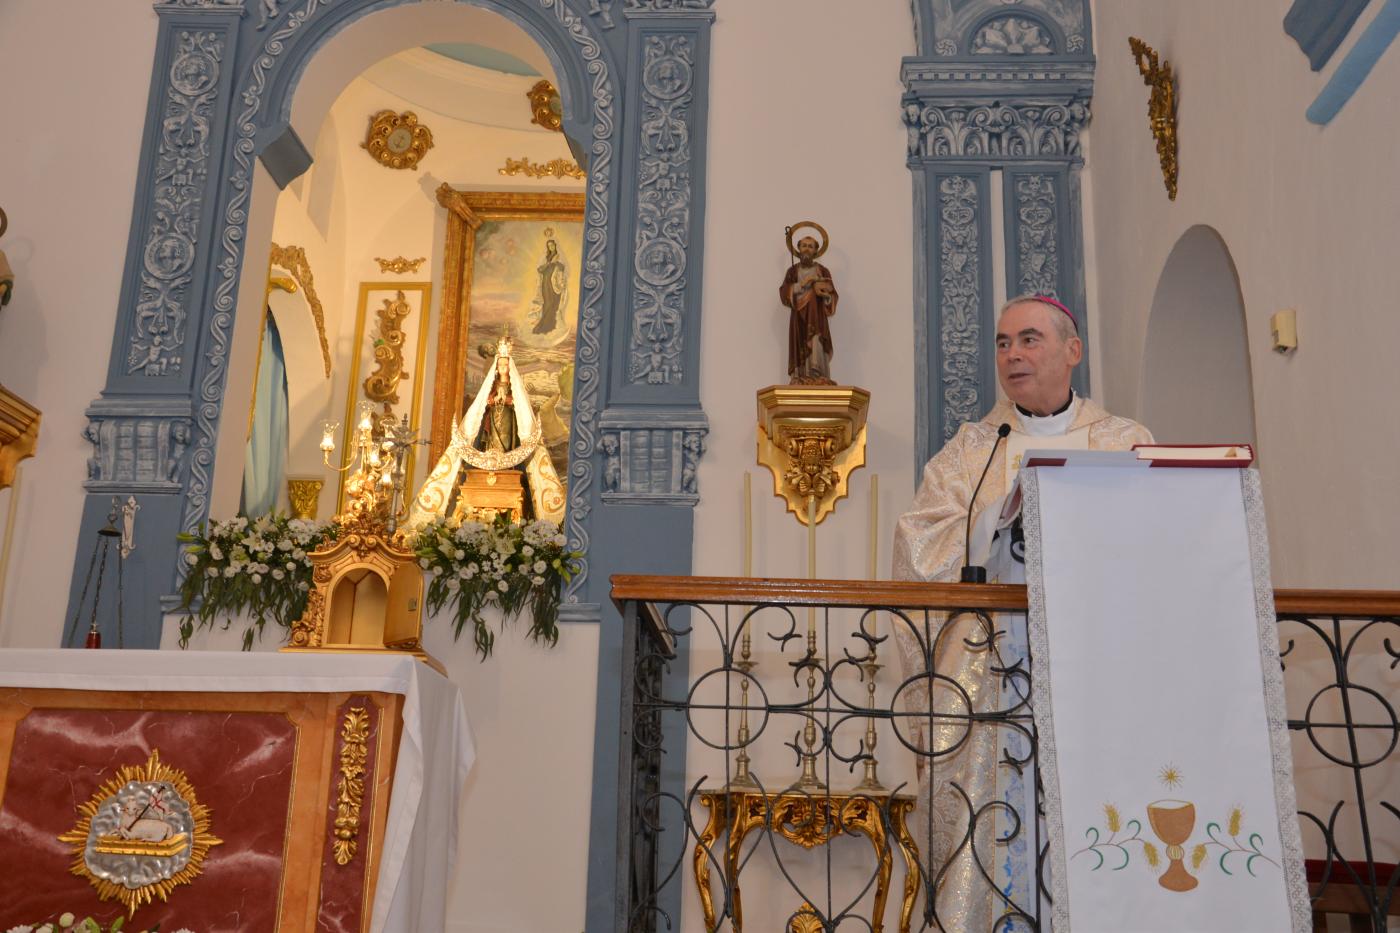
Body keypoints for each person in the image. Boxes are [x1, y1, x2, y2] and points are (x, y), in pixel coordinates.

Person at [890, 295, 1152, 928]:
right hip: (991, 674)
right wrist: (990, 520)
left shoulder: (1125, 441)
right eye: (1003, 343)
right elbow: (919, 544)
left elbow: (1153, 541)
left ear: (1073, 351)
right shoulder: (971, 450)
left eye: (1029, 340)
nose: (1012, 355)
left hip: (1095, 669)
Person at [779, 235, 838, 384]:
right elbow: (784, 293)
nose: (806, 248)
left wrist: (825, 295)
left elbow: (831, 295)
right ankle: (800, 376)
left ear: (816, 251)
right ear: (798, 249)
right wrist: (802, 284)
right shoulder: (792, 271)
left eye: (810, 246)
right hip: (798, 316)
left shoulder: (822, 271)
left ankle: (818, 375)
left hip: (816, 317)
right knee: (799, 344)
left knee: (816, 340)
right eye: (804, 245)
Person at [532, 239, 567, 334]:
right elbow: (539, 269)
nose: (551, 247)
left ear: (555, 245)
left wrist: (556, 263)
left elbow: (563, 268)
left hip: (555, 284)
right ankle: (544, 326)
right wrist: (550, 263)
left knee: (554, 303)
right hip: (546, 283)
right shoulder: (545, 257)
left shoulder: (559, 256)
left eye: (552, 245)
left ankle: (551, 325)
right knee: (547, 303)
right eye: (549, 246)